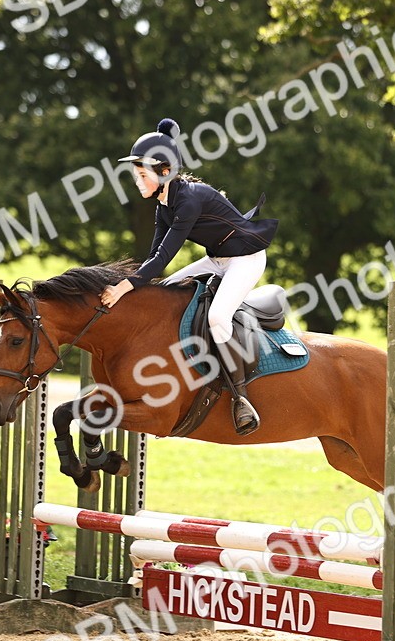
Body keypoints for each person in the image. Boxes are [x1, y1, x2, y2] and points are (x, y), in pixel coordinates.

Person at [101, 118, 278, 436]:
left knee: (218, 316)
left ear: (164, 172)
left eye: (142, 175)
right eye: (136, 175)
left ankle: (241, 398)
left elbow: (164, 256)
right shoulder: (163, 206)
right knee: (166, 289)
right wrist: (133, 289)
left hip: (246, 260)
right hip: (218, 259)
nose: (137, 181)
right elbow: (154, 262)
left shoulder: (189, 200)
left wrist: (122, 288)